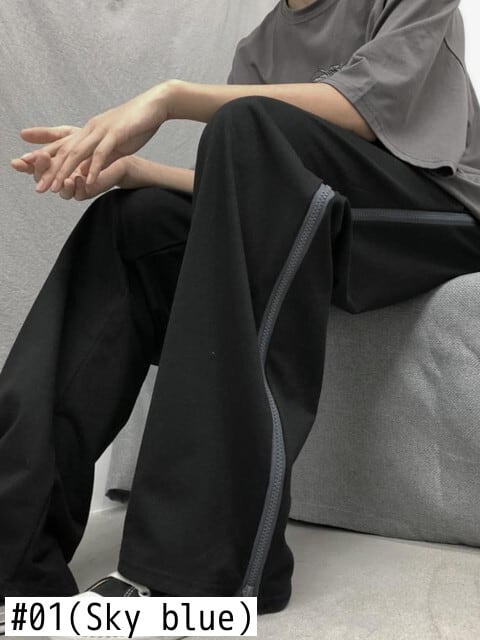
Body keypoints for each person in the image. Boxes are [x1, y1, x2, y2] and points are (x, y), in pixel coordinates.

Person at [1, 0, 480, 634]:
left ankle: (196, 578)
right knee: (135, 221)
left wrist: (169, 98)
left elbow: (360, 111)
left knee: (247, 123)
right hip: (315, 212)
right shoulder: (261, 44)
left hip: (438, 213)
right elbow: (243, 179)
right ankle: (12, 546)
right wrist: (137, 172)